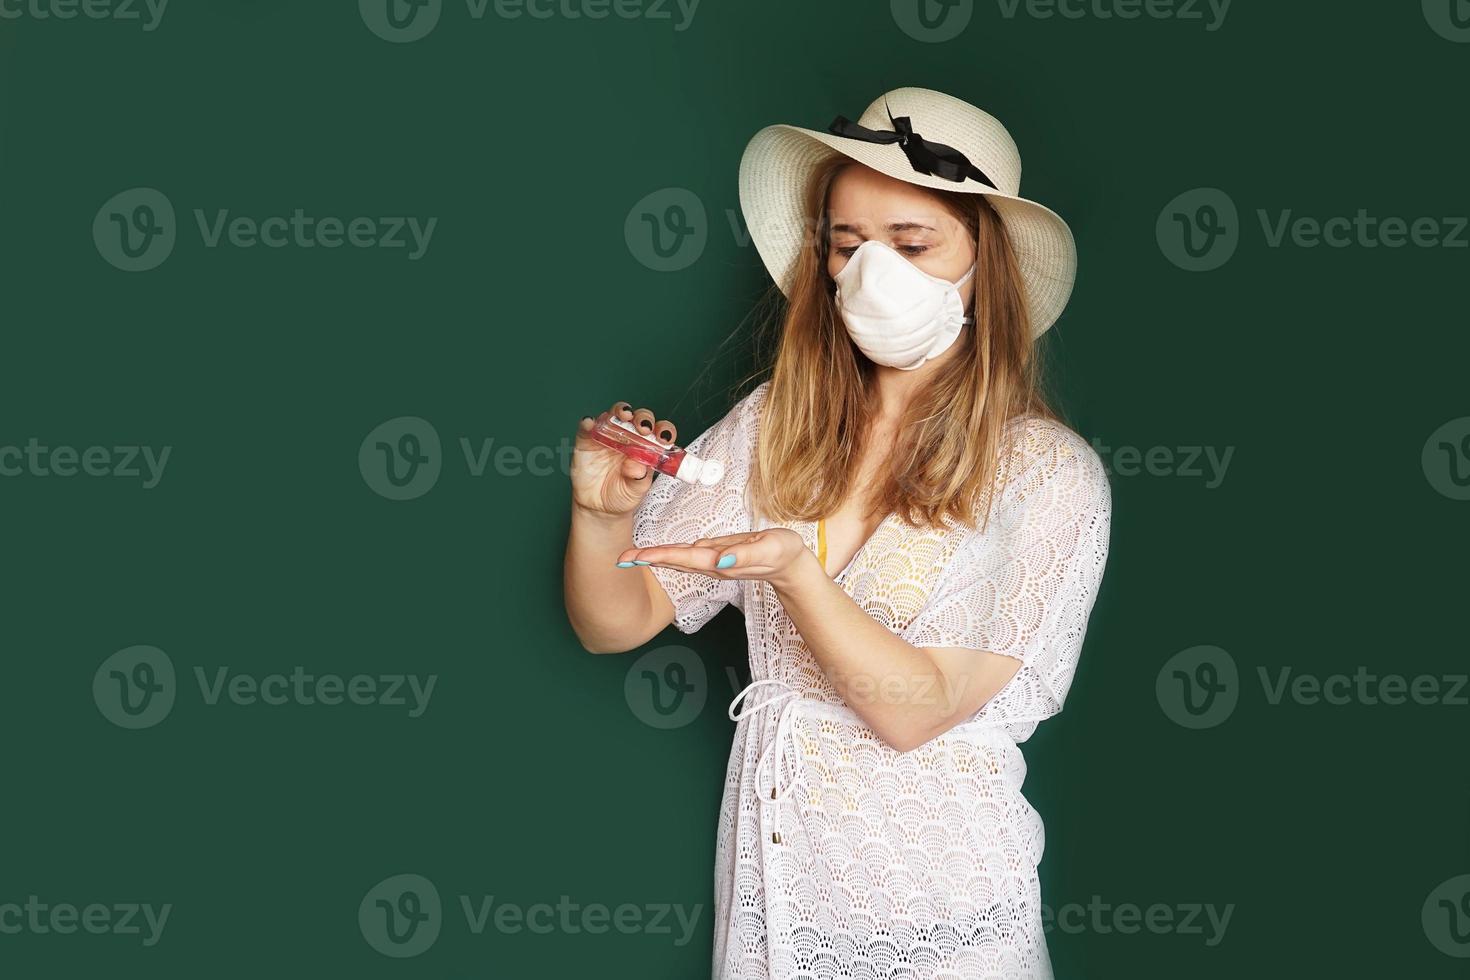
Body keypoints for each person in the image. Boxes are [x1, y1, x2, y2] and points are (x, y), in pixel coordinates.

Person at [564, 87, 1112, 980]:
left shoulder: (1048, 474)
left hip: (945, 927)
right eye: (849, 245)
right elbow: (613, 619)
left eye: (912, 243)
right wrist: (604, 515)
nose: (872, 273)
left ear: (988, 258)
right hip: (774, 908)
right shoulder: (777, 424)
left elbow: (916, 707)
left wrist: (793, 572)